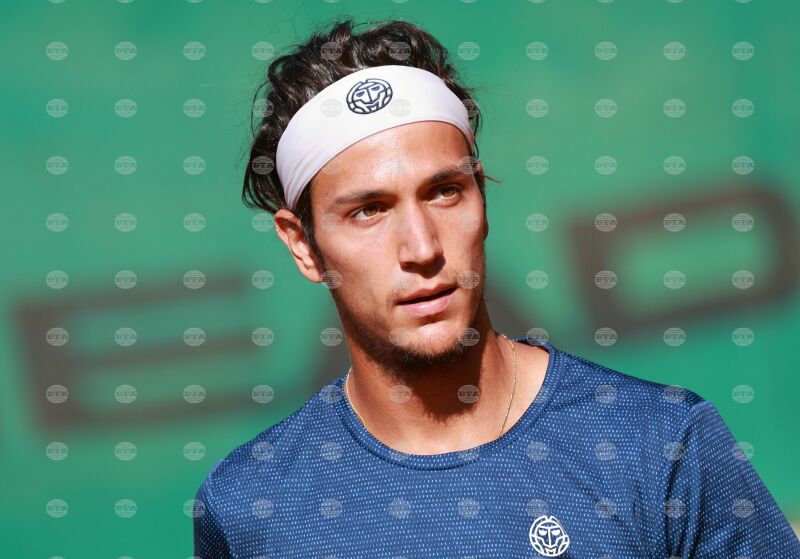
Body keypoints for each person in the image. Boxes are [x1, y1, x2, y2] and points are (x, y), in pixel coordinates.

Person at [193, 18, 800, 558]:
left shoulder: (661, 445)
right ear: (302, 244)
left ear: (481, 197)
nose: (422, 248)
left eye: (444, 192)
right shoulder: (251, 508)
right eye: (369, 210)